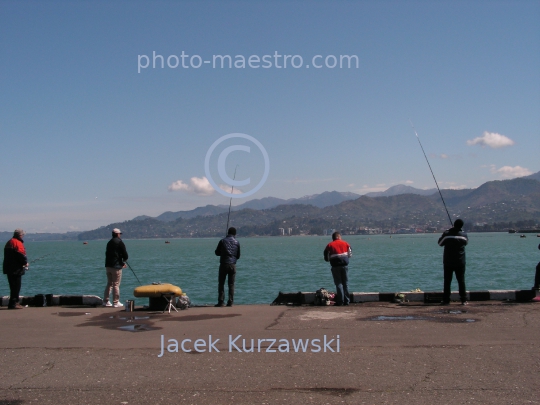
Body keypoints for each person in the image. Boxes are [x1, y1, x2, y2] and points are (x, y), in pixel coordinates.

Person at [438, 218, 468, 305]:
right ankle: (464, 300)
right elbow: (466, 243)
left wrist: (448, 231)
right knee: (461, 281)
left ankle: (446, 300)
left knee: (447, 281)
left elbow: (440, 243)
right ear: (461, 226)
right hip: (460, 262)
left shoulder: (447, 235)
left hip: (448, 262)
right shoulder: (464, 235)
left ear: (454, 225)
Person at [324, 231, 352, 306]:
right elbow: (350, 254)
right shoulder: (346, 243)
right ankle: (347, 301)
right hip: (344, 266)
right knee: (345, 283)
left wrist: (330, 259)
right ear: (339, 237)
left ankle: (340, 301)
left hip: (335, 266)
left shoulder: (329, 245)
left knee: (339, 284)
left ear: (333, 238)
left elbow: (326, 257)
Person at [3, 229, 29, 309]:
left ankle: (13, 303)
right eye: (23, 235)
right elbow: (21, 255)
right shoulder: (17, 243)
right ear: (20, 235)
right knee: (16, 287)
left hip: (8, 268)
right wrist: (25, 263)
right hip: (16, 269)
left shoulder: (9, 242)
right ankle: (14, 303)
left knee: (12, 286)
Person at [214, 227, 240, 307]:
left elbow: (216, 252)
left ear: (228, 233)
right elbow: (238, 256)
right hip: (232, 265)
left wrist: (223, 253)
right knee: (231, 284)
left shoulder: (222, 241)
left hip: (224, 264)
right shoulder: (237, 242)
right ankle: (230, 301)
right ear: (235, 234)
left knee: (221, 283)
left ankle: (221, 301)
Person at [103, 228, 129, 308]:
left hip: (108, 266)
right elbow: (125, 254)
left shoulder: (109, 242)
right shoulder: (119, 242)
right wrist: (123, 262)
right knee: (116, 284)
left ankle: (106, 301)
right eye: (120, 234)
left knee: (109, 283)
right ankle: (115, 302)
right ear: (118, 234)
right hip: (116, 267)